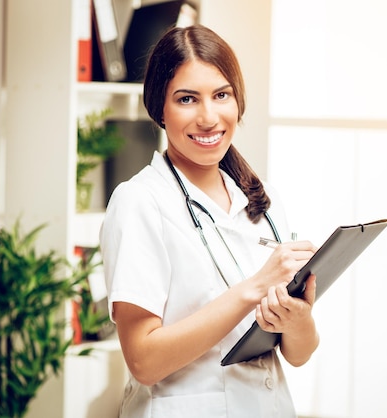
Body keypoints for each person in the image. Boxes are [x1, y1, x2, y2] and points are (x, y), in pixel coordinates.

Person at [100, 24, 320, 417]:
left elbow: (298, 354)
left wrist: (298, 317)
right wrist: (253, 289)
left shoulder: (264, 201)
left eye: (221, 95)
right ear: (159, 109)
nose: (208, 117)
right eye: (187, 99)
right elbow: (143, 361)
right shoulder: (139, 202)